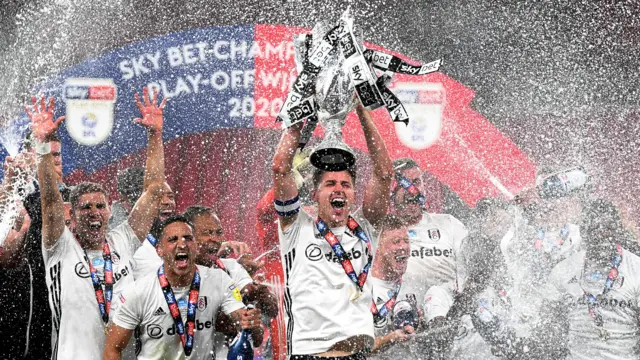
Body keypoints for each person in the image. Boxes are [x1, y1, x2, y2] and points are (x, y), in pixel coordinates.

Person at [30, 90, 167, 359]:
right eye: (86, 207)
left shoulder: (122, 241)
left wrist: (155, 137)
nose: (95, 213)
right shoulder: (60, 246)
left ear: (109, 210)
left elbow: (153, 191)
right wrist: (43, 145)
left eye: (100, 206)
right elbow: (49, 198)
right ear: (73, 214)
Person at [271, 103, 393, 359]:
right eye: (330, 184)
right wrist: (298, 113)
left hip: (358, 354)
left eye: (346, 185)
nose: (338, 189)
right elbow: (281, 168)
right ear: (315, 193)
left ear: (353, 193)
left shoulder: (365, 228)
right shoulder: (296, 228)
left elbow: (383, 174)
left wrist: (362, 110)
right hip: (309, 354)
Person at [104, 215, 264, 359]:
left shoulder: (219, 279)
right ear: (159, 249)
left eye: (188, 238)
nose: (182, 244)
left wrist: (250, 322)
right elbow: (112, 349)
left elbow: (243, 320)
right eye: (173, 239)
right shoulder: (139, 291)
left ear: (195, 246)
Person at [389, 158, 469, 314]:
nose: (412, 189)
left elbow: (471, 266)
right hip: (405, 322)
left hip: (451, 317)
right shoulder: (382, 232)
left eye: (416, 182)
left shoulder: (449, 223)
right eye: (404, 183)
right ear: (391, 191)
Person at [367, 214, 414, 356]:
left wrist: (419, 321)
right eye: (396, 241)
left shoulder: (414, 282)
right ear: (379, 245)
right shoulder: (362, 288)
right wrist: (391, 338)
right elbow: (353, 348)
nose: (403, 247)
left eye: (406, 241)